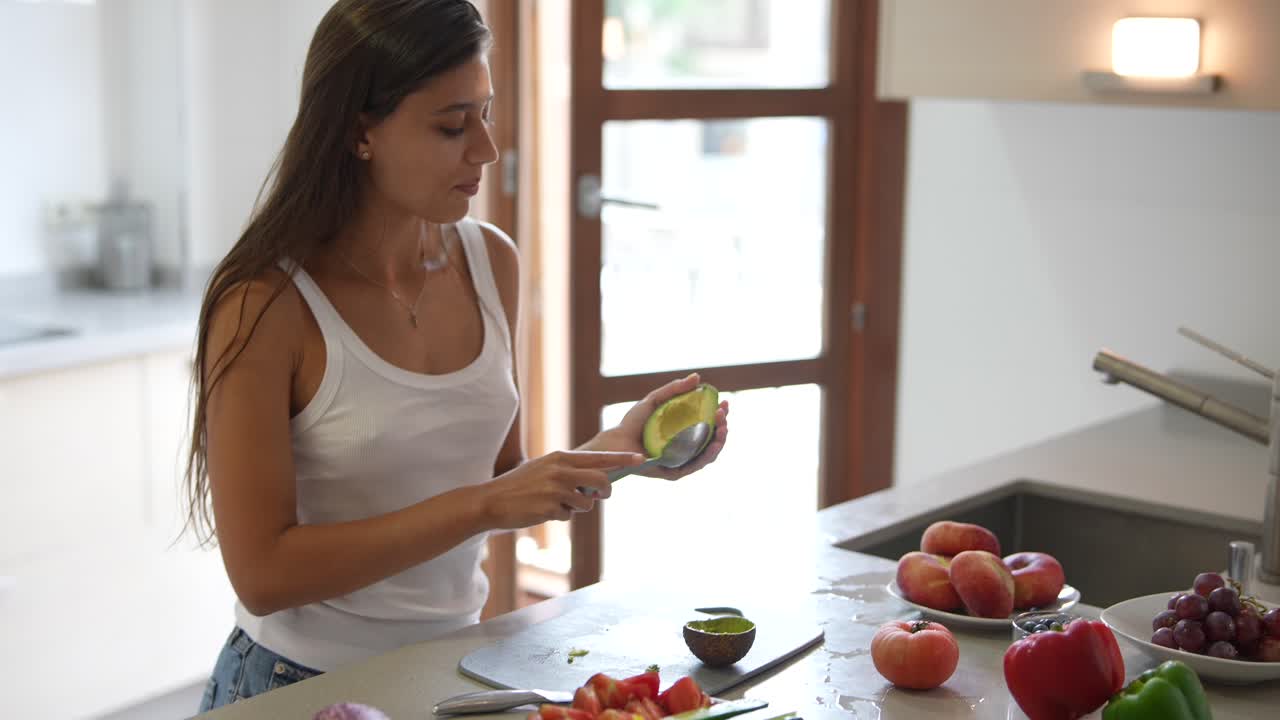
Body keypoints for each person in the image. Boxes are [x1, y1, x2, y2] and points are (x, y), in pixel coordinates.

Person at [183, 0, 730, 712]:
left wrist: (620, 451)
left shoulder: (491, 263)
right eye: (452, 125)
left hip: (452, 671)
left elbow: (500, 479)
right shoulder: (264, 303)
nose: (487, 149)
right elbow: (263, 575)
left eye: (486, 113)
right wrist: (483, 505)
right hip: (299, 683)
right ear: (359, 131)